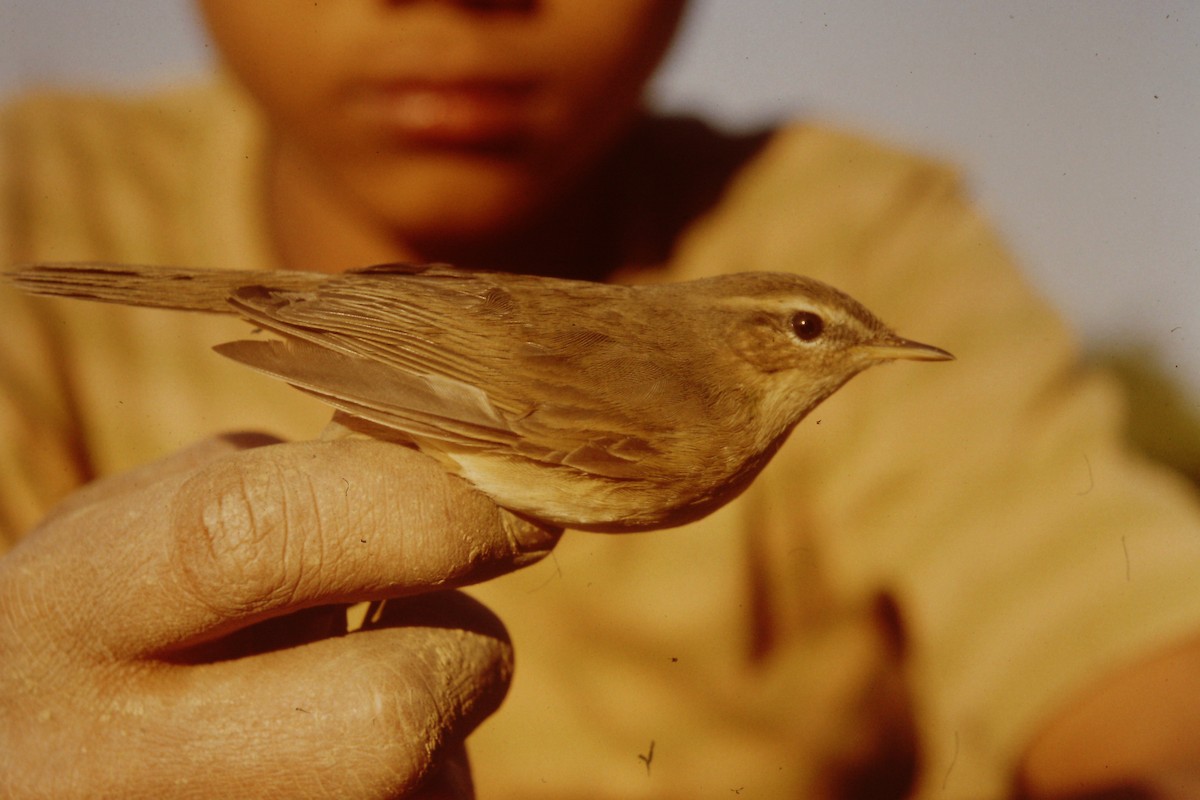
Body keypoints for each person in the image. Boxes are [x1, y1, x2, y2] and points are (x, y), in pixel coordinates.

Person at [2, 2, 1199, 797]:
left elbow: (1125, 640)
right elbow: (459, 360)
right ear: (747, 344)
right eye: (805, 332)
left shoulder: (868, 216)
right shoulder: (30, 183)